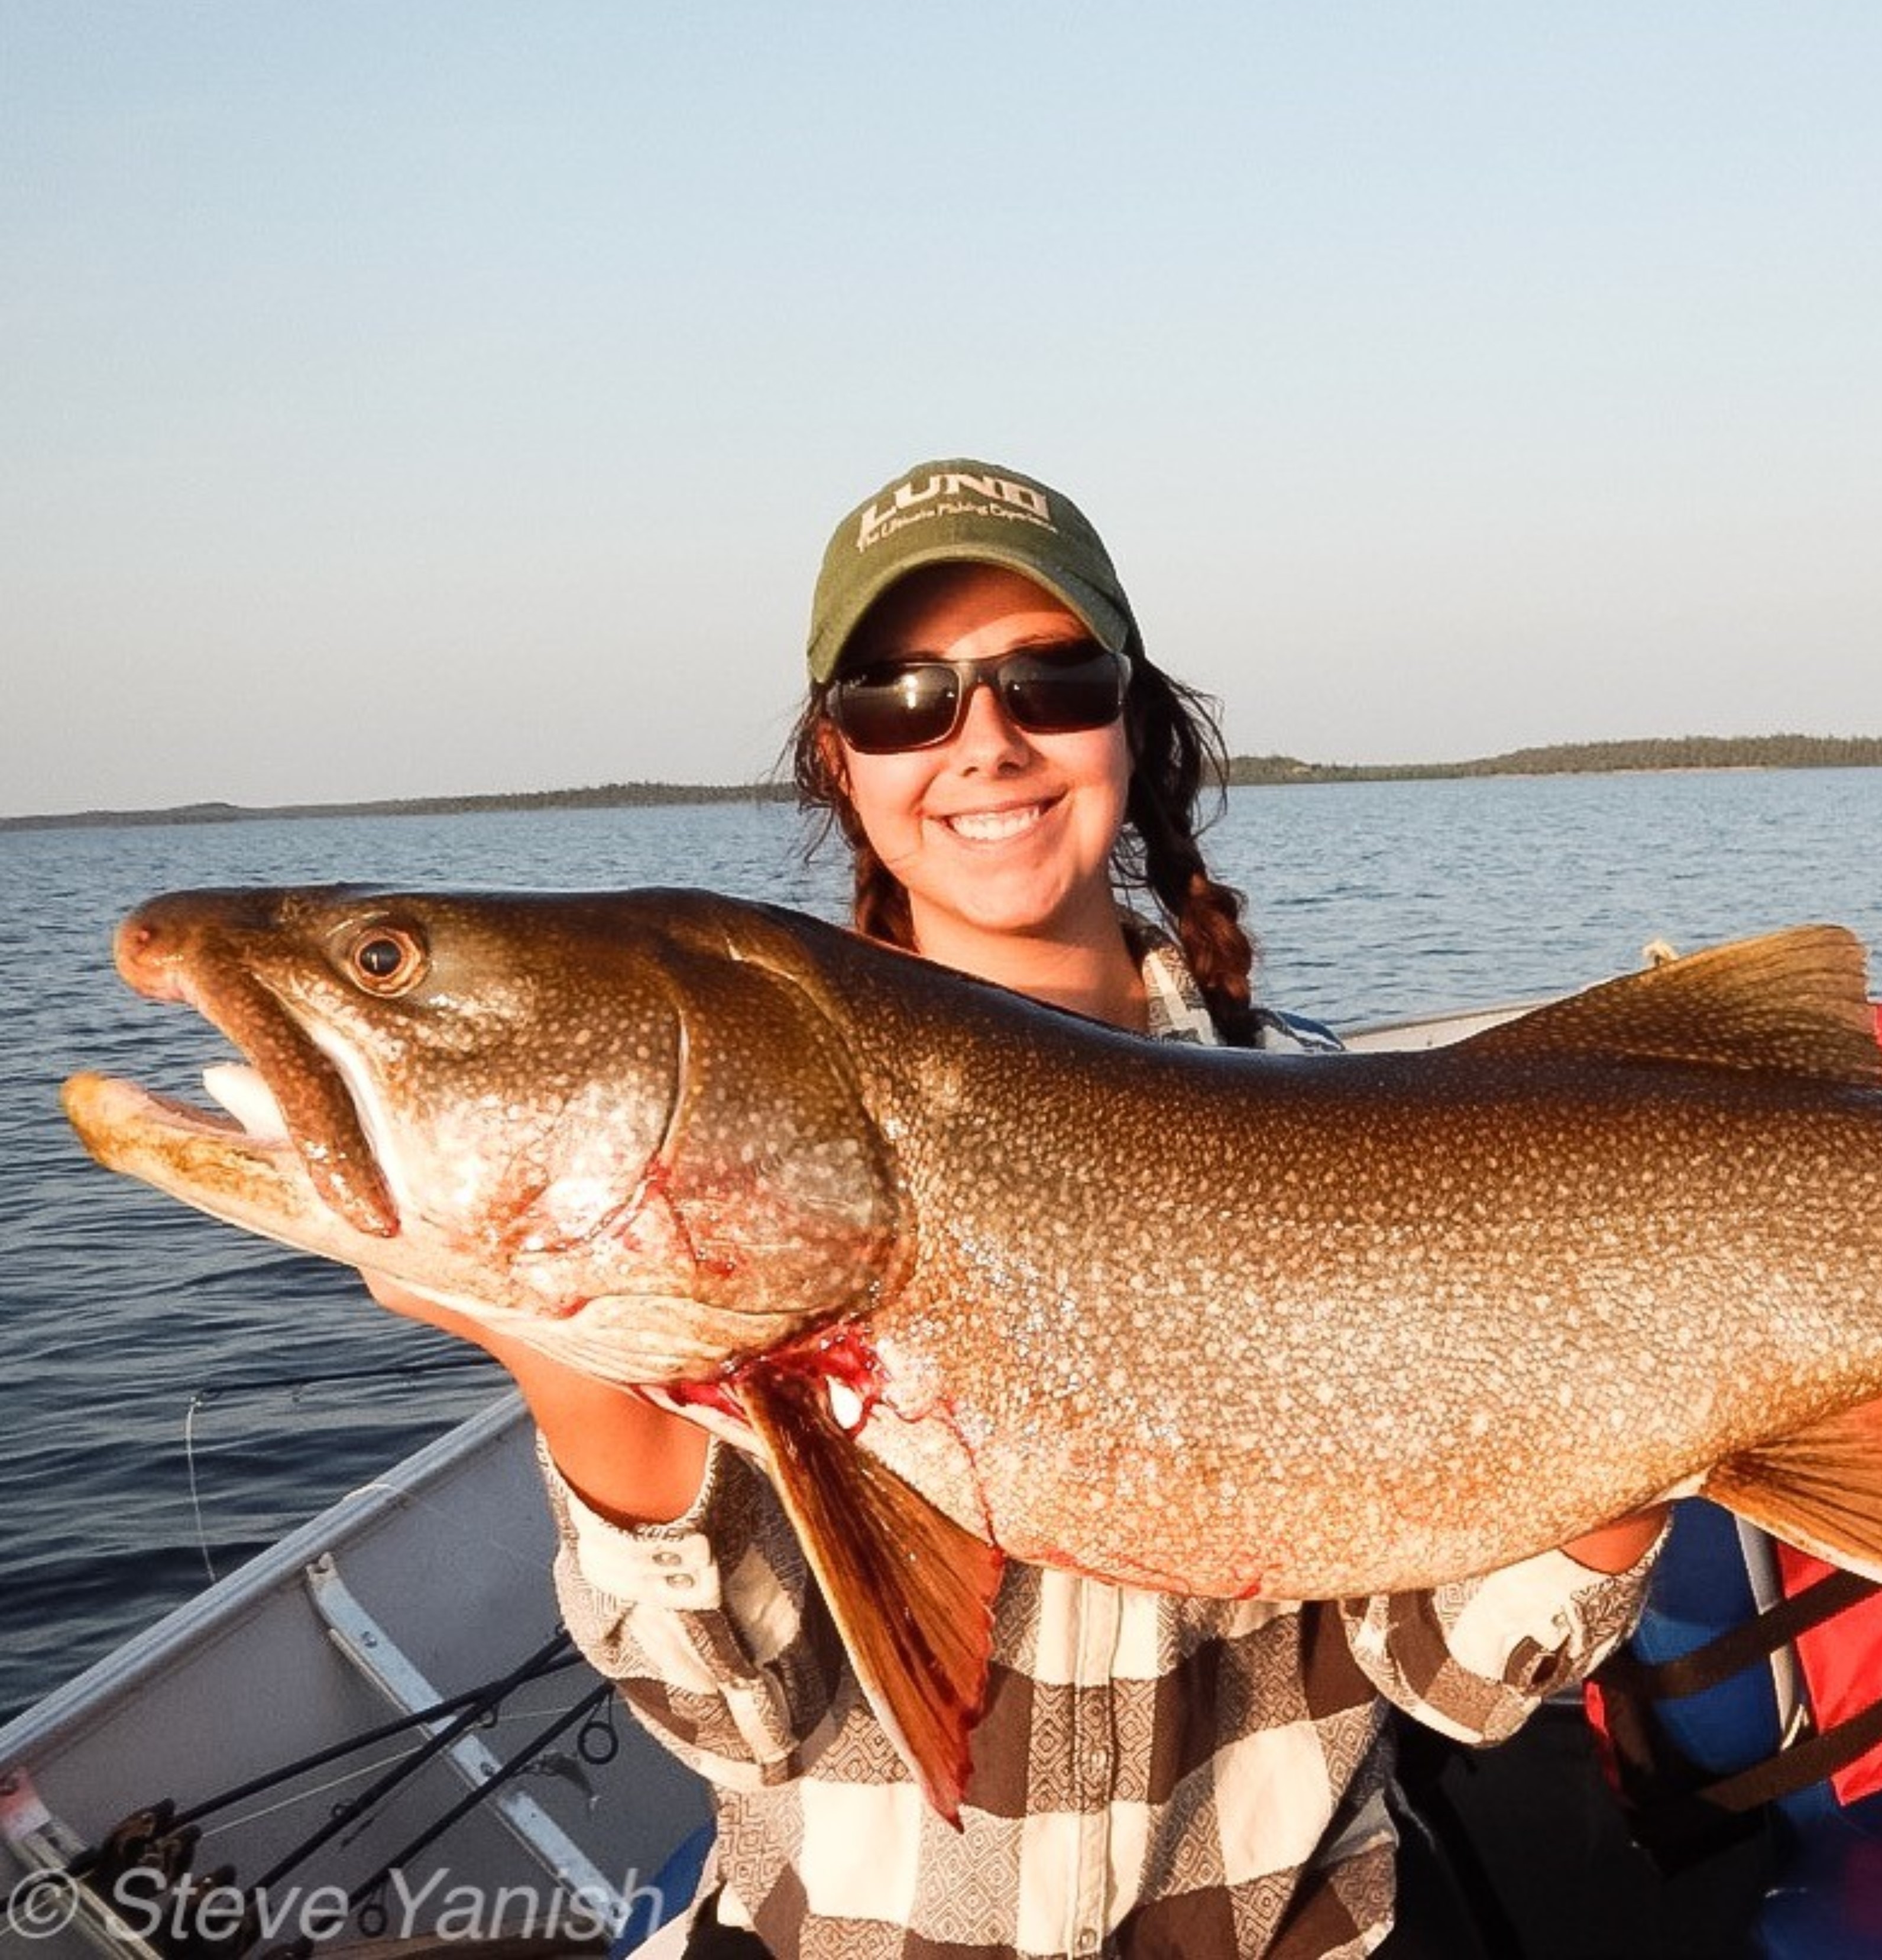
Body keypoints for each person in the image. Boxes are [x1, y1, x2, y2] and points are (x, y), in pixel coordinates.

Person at [368, 456, 1667, 1960]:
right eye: (901, 699)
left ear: (1132, 723)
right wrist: (576, 1379)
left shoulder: (1351, 1133)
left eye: (1050, 679)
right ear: (839, 758)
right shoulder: (726, 1189)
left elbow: (1458, 1683)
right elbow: (741, 1723)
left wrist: (1664, 1418)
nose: (983, 741)